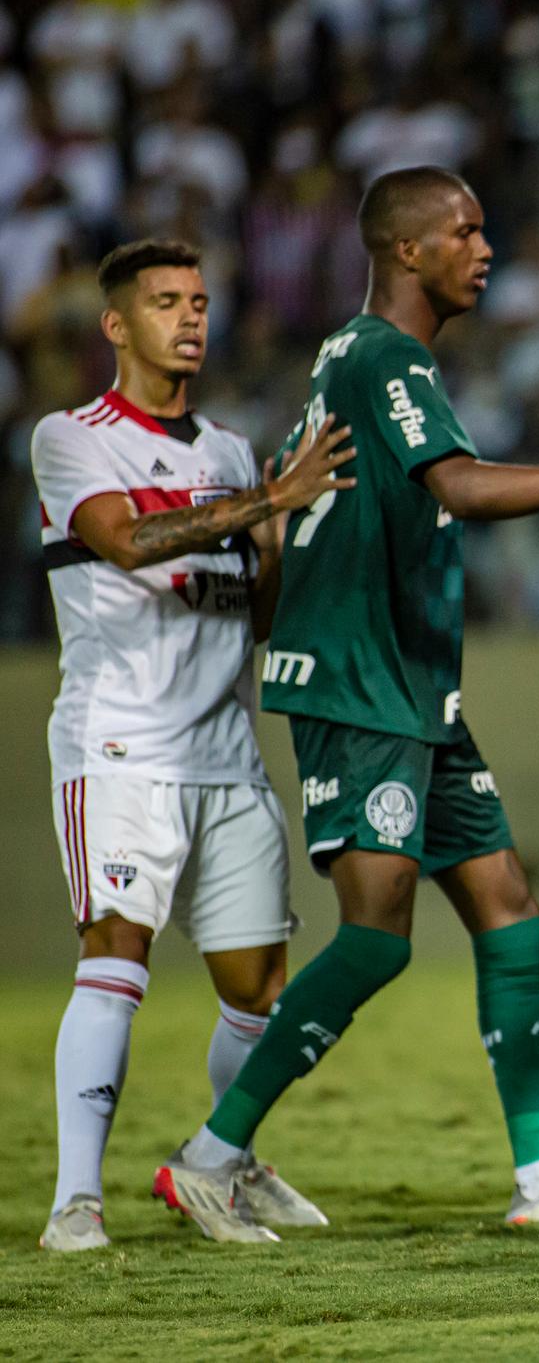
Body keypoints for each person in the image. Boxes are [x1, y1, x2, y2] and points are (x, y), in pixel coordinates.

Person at [153, 167, 539, 1238]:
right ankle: (210, 1155)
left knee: (507, 904)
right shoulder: (386, 356)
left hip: (410, 683)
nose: (485, 247)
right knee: (377, 936)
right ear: (408, 250)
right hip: (358, 676)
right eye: (464, 231)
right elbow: (461, 489)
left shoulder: (355, 356)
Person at [31, 239, 354, 1252]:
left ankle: (228, 1159)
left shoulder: (224, 449)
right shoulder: (69, 437)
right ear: (116, 326)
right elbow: (122, 541)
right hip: (121, 743)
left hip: (226, 751)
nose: (191, 318)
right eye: (166, 301)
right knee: (115, 954)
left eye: (202, 301)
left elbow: (252, 612)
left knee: (258, 988)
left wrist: (266, 549)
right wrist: (265, 504)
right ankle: (74, 1201)